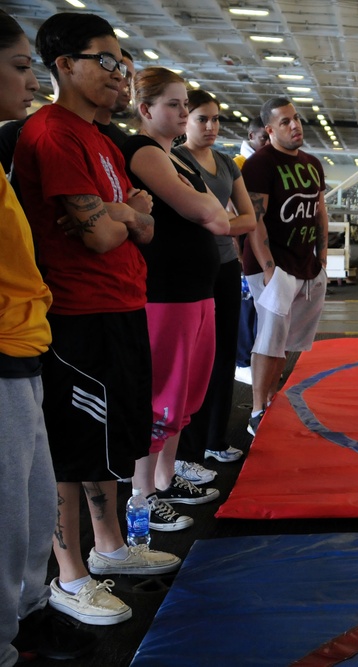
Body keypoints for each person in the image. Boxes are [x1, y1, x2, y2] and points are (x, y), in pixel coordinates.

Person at [16, 12, 181, 627]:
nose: (122, 73)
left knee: (110, 445)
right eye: (107, 60)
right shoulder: (54, 134)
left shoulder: (103, 140)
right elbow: (100, 238)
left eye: (124, 60)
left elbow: (143, 225)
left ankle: (109, 549)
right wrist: (124, 216)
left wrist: (125, 215)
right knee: (74, 447)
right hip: (79, 315)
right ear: (66, 66)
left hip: (120, 307)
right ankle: (70, 575)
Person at [0, 11, 98, 663]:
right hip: (7, 354)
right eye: (18, 66)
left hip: (25, 348)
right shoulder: (46, 138)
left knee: (31, 515)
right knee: (10, 521)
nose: (28, 79)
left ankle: (29, 617)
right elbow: (103, 230)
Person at [123, 67, 232, 528]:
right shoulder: (143, 151)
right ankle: (142, 494)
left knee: (185, 395)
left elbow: (223, 220)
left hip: (197, 293)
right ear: (146, 110)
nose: (184, 111)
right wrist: (203, 207)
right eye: (174, 104)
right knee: (160, 397)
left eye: (183, 102)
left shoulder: (181, 159)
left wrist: (205, 207)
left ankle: (165, 479)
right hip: (165, 295)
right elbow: (205, 210)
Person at [174, 88, 256, 478]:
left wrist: (215, 224)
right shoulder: (172, 159)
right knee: (192, 361)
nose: (211, 126)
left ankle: (215, 440)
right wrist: (220, 224)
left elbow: (249, 219)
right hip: (190, 271)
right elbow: (188, 221)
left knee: (224, 356)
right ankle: (183, 452)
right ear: (185, 120)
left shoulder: (225, 162)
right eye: (201, 118)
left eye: (216, 119)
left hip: (225, 266)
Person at [242, 97, 329, 436]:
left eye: (296, 119)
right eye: (285, 122)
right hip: (272, 266)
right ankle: (256, 409)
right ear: (269, 129)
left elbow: (319, 209)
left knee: (288, 340)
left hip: (304, 263)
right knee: (269, 338)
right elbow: (255, 220)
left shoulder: (312, 163)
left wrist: (321, 258)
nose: (295, 126)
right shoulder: (261, 164)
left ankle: (272, 398)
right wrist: (267, 268)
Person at [233, 116, 269, 384]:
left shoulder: (267, 163)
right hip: (245, 243)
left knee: (263, 307)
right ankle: (242, 360)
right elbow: (231, 210)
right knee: (248, 306)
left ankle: (255, 357)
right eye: (263, 138)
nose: (267, 143)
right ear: (251, 135)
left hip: (263, 244)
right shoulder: (239, 164)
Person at [93, 47, 133, 150]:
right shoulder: (74, 132)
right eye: (125, 75)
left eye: (131, 79)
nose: (128, 84)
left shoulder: (124, 142)